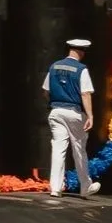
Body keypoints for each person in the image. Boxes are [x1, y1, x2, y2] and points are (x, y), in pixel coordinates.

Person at [41, 38, 100, 197]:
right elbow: (85, 93)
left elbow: (46, 91)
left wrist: (53, 103)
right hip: (73, 112)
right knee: (79, 149)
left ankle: (55, 188)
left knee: (58, 149)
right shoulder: (81, 69)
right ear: (81, 51)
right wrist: (90, 116)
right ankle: (85, 186)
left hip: (56, 111)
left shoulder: (54, 66)